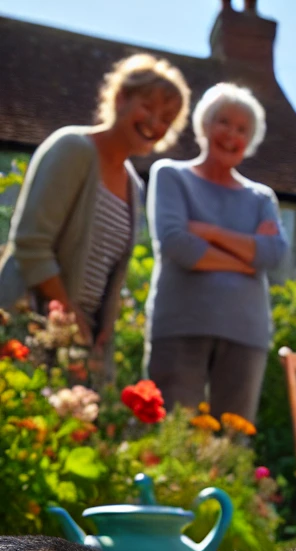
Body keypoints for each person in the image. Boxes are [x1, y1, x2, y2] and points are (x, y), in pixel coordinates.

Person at [0, 54, 190, 386]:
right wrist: (71, 321)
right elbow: (32, 245)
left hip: (77, 342)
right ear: (120, 98)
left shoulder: (134, 186)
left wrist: (98, 339)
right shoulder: (73, 148)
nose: (156, 123)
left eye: (167, 119)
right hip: (29, 326)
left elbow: (109, 279)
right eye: (148, 107)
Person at [145, 83, 287, 423]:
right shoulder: (171, 176)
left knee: (232, 443)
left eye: (242, 129)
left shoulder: (261, 198)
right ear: (205, 125)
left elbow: (273, 255)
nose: (231, 134)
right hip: (181, 325)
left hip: (245, 332)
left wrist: (208, 232)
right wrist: (246, 257)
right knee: (175, 435)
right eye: (224, 122)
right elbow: (179, 246)